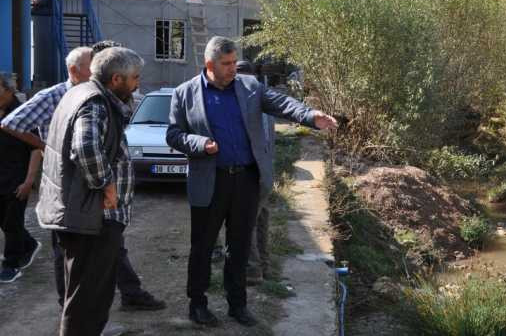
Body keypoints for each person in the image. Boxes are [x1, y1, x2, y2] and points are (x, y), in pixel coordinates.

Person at [167, 36, 338, 327]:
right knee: (203, 247)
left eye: (235, 62)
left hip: (246, 180)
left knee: (240, 246)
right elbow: (173, 135)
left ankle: (238, 305)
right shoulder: (185, 94)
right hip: (210, 181)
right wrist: (198, 143)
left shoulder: (249, 87)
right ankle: (197, 304)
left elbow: (281, 103)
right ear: (210, 64)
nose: (234, 68)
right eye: (227, 64)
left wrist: (310, 115)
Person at [1, 45, 165, 311]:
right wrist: (50, 148)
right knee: (70, 259)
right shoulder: (60, 96)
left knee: (108, 249)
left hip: (94, 197)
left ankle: (126, 295)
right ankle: (71, 308)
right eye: (93, 66)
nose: (97, 72)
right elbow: (11, 123)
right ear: (74, 70)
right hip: (71, 194)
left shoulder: (101, 96)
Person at [35, 47, 143, 336]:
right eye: (134, 78)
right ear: (116, 79)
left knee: (85, 294)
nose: (138, 84)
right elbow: (84, 147)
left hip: (81, 213)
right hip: (92, 218)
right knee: (88, 298)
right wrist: (106, 184)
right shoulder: (95, 102)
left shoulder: (79, 93)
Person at [0, 73, 42, 283]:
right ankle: (29, 244)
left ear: (8, 90)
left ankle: (11, 264)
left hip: (17, 179)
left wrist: (28, 181)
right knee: (4, 222)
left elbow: (36, 148)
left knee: (13, 222)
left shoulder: (22, 114)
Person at [236, 60, 274, 284]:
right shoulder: (264, 98)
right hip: (265, 173)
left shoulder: (248, 101)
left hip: (252, 173)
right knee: (260, 220)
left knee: (245, 221)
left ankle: (252, 271)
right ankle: (265, 267)